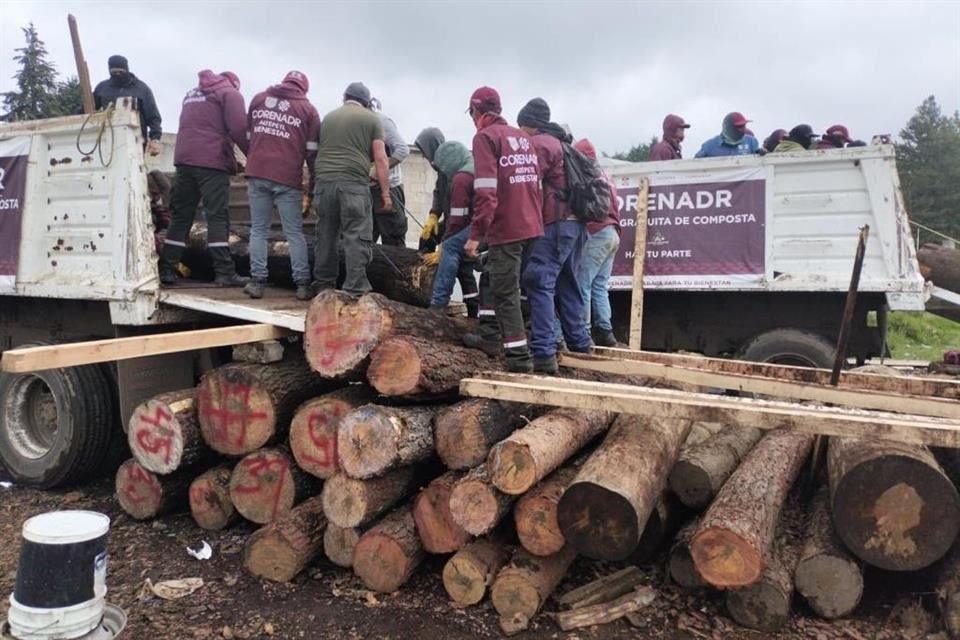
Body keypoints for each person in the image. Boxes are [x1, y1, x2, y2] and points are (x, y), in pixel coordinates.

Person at [462, 87, 543, 373]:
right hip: (531, 225)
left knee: (506, 293)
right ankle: (490, 335)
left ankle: (518, 358)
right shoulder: (521, 137)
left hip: (508, 227)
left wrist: (475, 235)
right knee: (492, 278)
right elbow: (534, 185)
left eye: (472, 113)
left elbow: (485, 191)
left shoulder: (484, 138)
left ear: (477, 112)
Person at [516, 97, 593, 374]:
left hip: (555, 224)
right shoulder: (563, 144)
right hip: (576, 225)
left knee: (539, 281)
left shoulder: (539, 144)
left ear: (529, 125)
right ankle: (581, 346)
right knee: (567, 284)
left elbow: (526, 184)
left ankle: (544, 354)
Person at [159, 70, 248, 286]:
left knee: (181, 216)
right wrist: (251, 155)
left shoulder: (192, 94)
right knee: (217, 216)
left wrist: (231, 161)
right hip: (210, 162)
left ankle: (167, 270)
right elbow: (238, 129)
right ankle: (224, 272)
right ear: (234, 84)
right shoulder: (230, 93)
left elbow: (201, 129)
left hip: (184, 160)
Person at [242, 70, 322, 301]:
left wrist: (257, 160)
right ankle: (303, 285)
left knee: (259, 230)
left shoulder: (258, 99)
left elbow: (249, 137)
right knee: (294, 233)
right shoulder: (308, 110)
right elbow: (312, 153)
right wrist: (312, 187)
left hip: (257, 173)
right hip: (288, 178)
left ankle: (257, 282)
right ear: (303, 88)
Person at [312, 82, 390, 296]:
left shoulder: (328, 118)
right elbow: (381, 158)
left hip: (324, 183)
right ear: (366, 102)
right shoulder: (372, 119)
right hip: (353, 185)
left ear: (344, 97)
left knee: (326, 235)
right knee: (356, 236)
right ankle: (354, 289)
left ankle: (323, 285)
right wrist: (385, 192)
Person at [573, 138, 621, 347]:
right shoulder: (605, 174)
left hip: (598, 232)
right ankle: (605, 330)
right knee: (600, 285)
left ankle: (583, 332)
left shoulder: (587, 174)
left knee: (583, 284)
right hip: (613, 233)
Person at [427, 141, 480, 316]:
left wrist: (443, 244)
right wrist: (434, 214)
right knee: (464, 265)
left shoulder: (462, 178)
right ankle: (473, 309)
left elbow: (458, 219)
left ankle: (437, 305)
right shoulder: (473, 167)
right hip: (483, 222)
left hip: (479, 225)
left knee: (451, 247)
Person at [93, 55, 162, 156]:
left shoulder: (142, 89)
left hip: (135, 141)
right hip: (107, 140)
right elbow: (87, 111)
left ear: (127, 69)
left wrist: (155, 139)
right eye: (114, 72)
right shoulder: (102, 88)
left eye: (120, 72)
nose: (117, 75)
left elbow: (153, 116)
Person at [369, 98, 410, 246]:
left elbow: (402, 150)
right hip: (366, 190)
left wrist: (378, 170)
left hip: (390, 188)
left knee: (393, 238)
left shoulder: (382, 121)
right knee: (364, 239)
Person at [415, 127, 447, 252]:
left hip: (466, 224)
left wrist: (444, 247)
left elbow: (457, 211)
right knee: (427, 237)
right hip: (453, 220)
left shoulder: (451, 169)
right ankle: (423, 268)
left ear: (432, 148)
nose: (424, 156)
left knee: (449, 249)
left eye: (424, 152)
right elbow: (439, 193)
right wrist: (434, 214)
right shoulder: (441, 170)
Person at [695, 112, 760, 157]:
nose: (743, 129)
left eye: (744, 126)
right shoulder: (709, 146)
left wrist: (763, 154)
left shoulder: (751, 142)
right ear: (728, 128)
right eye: (739, 127)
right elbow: (696, 165)